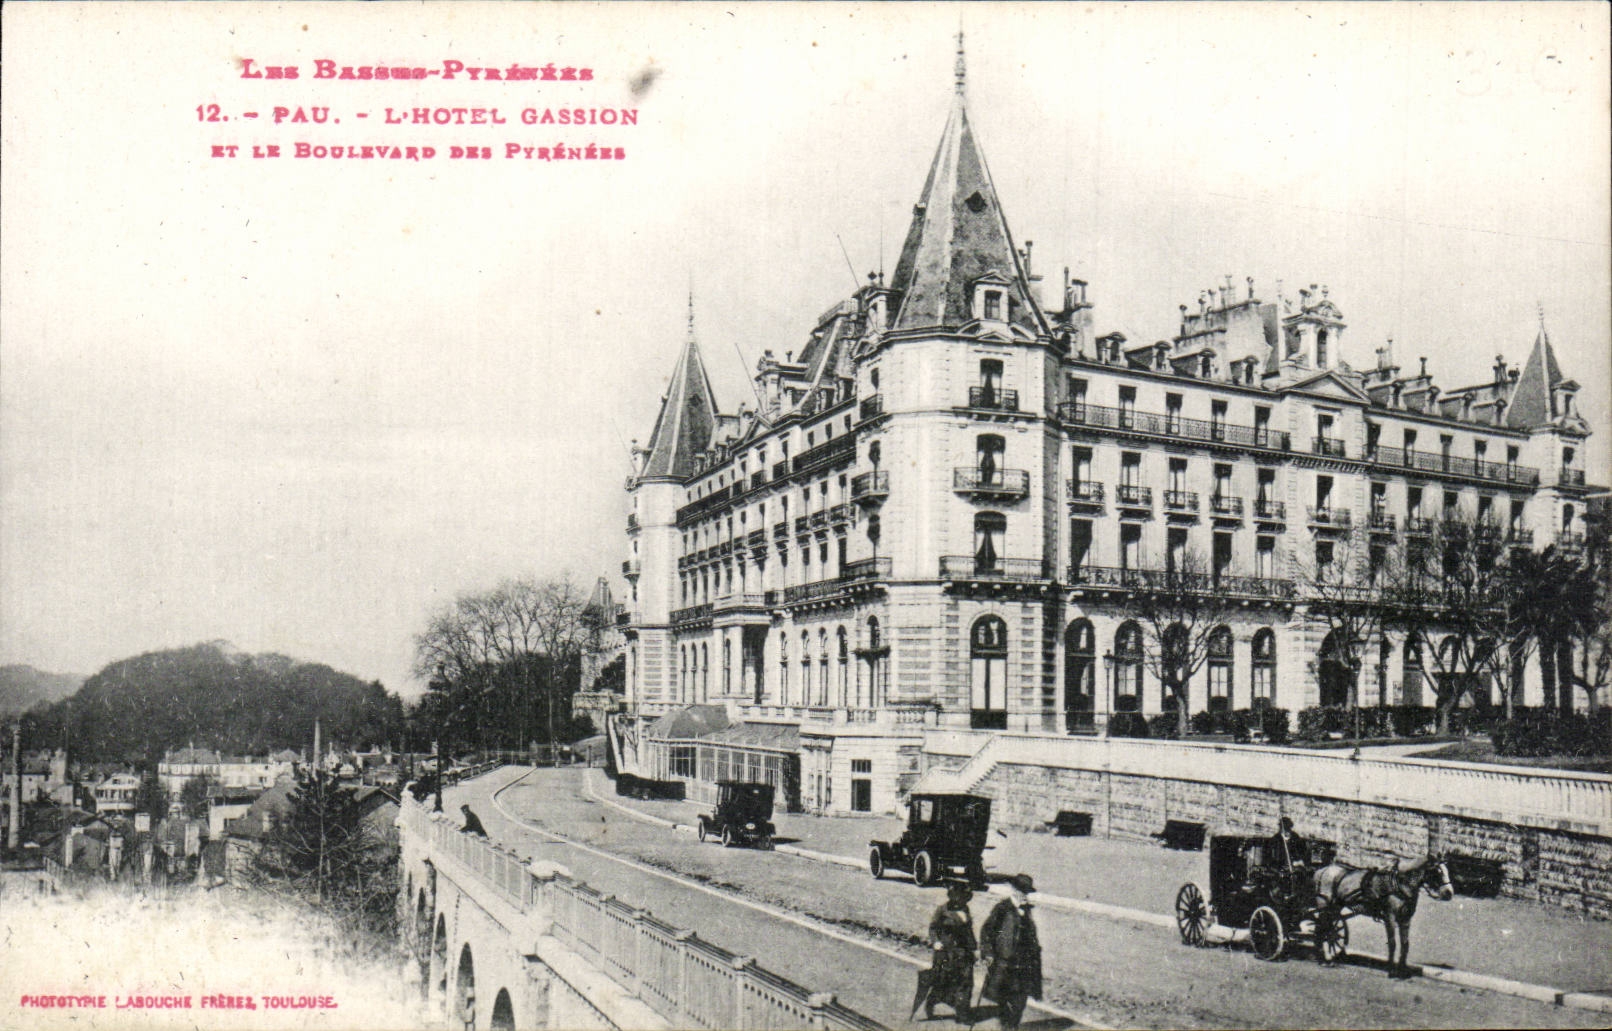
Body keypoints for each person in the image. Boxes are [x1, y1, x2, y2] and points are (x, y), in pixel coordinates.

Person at [979, 873, 1042, 1030]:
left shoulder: (1027, 911)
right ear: (1013, 889)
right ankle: (1007, 1025)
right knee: (1004, 998)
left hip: (1024, 964)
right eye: (1021, 890)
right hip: (1004, 962)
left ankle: (1012, 1025)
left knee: (1021, 1000)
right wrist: (987, 953)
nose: (1023, 894)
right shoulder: (1002, 908)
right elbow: (987, 931)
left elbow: (1031, 936)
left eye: (1026, 892)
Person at [914, 881, 977, 1023]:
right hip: (946, 953)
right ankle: (931, 1002)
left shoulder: (965, 910)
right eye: (957, 896)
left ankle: (962, 1015)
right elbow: (933, 928)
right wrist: (935, 941)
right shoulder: (943, 910)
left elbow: (968, 931)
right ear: (952, 897)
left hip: (964, 953)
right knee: (943, 982)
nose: (960, 900)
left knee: (966, 982)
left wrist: (974, 948)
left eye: (963, 897)